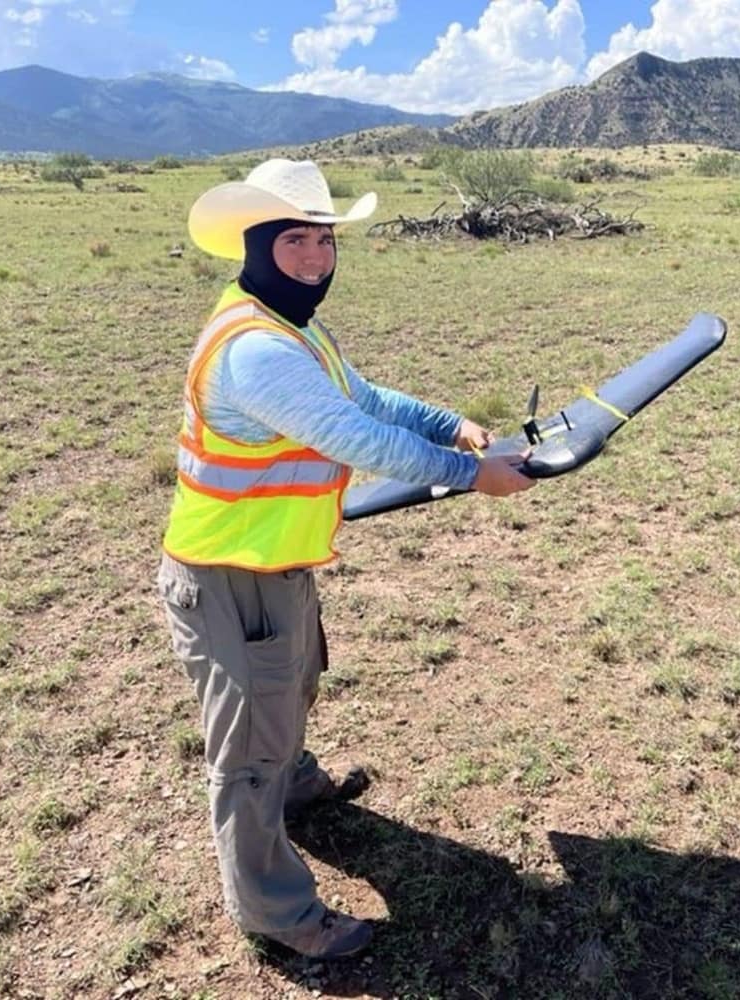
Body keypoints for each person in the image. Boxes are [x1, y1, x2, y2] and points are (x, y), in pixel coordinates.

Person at [157, 158, 535, 960]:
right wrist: (475, 474)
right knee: (248, 757)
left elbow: (365, 399)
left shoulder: (293, 327)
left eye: (324, 240)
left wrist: (449, 422)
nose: (315, 257)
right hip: (231, 579)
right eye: (294, 239)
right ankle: (276, 913)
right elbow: (355, 438)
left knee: (290, 690)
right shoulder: (256, 351)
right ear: (255, 246)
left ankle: (297, 787)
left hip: (274, 567)